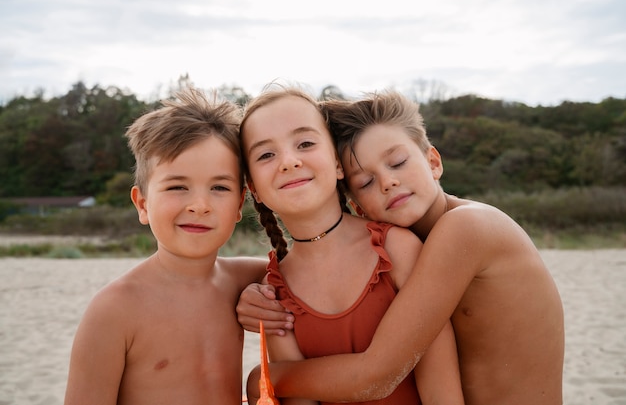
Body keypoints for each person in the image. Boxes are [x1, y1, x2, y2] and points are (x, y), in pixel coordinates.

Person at [237, 90, 565, 405]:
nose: (387, 182)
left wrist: (263, 379)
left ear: (433, 161)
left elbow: (378, 374)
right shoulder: (413, 245)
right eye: (365, 182)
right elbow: (317, 262)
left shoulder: (466, 227)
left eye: (397, 162)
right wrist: (255, 288)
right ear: (357, 203)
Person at [239, 86, 464, 404]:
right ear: (254, 189)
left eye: (305, 143)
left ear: (337, 164)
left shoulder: (396, 249)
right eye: (266, 155)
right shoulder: (274, 292)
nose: (288, 161)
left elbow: (443, 392)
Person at [64, 88, 267, 405]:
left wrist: (265, 293)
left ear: (240, 204)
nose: (200, 205)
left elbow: (306, 270)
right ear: (142, 204)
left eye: (219, 187)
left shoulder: (243, 278)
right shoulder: (114, 310)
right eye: (177, 186)